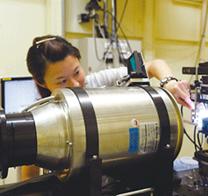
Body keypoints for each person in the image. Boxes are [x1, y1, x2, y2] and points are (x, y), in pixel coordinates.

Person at [22, 35, 193, 180]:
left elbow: (155, 65)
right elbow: (29, 172)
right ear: (41, 82)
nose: (75, 84)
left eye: (76, 72)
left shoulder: (97, 82)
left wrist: (169, 83)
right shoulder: (39, 114)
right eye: (62, 81)